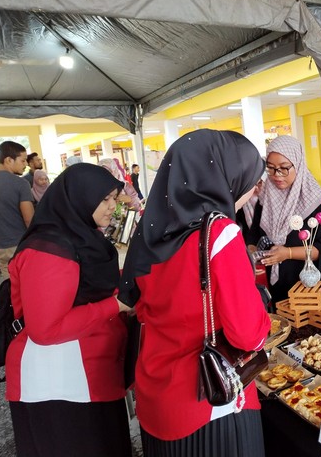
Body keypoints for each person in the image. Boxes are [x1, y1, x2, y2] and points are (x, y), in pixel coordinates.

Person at [118, 129, 270, 457]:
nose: (255, 188)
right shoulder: (220, 233)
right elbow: (248, 335)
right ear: (227, 176)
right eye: (251, 178)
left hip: (157, 395)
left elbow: (141, 309)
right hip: (209, 402)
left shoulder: (151, 231)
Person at [5, 163, 132, 457]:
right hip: (59, 385)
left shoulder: (80, 236)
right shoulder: (49, 249)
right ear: (79, 197)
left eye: (114, 198)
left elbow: (86, 286)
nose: (112, 206)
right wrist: (116, 305)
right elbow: (45, 330)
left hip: (88, 374)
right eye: (104, 199)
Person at [246, 135, 321, 305]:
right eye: (270, 168)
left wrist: (288, 253)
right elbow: (254, 235)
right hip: (277, 288)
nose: (277, 175)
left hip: (310, 288)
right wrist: (252, 255)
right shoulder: (266, 198)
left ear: (297, 164)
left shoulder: (318, 202)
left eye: (284, 168)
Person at [0, 141, 34, 281]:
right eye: (23, 160)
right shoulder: (21, 183)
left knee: (9, 285)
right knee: (26, 283)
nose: (26, 164)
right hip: (20, 245)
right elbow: (29, 219)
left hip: (0, 247)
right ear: (9, 160)